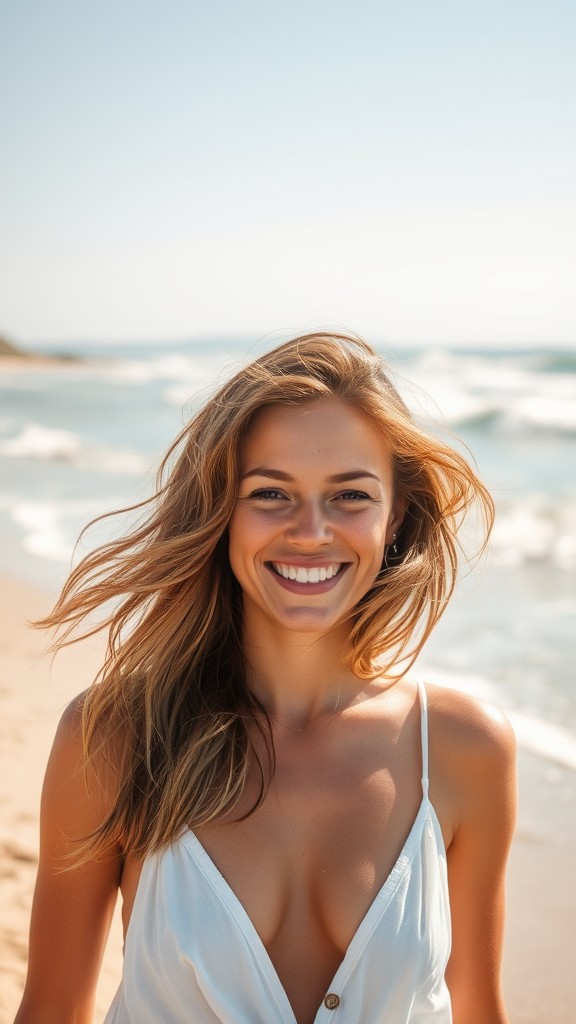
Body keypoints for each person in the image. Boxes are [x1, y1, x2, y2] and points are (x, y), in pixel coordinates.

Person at [14, 332, 516, 1024]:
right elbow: (51, 1011)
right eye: (271, 493)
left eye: (349, 496)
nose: (311, 531)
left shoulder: (463, 750)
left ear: (395, 514)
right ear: (222, 510)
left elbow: (479, 1012)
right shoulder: (115, 739)